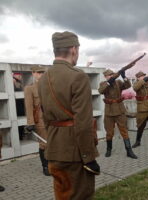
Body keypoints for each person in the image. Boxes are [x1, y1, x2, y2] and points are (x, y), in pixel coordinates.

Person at [38, 31, 100, 200]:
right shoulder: (78, 76)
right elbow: (83, 122)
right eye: (78, 49)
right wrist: (88, 158)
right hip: (75, 154)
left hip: (54, 150)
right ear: (73, 49)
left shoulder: (43, 78)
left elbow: (45, 118)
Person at [98, 69, 137, 159]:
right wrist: (108, 83)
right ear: (105, 76)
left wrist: (124, 77)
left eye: (112, 74)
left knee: (124, 131)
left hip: (120, 111)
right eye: (109, 75)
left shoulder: (118, 82)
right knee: (109, 132)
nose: (111, 76)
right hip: (109, 112)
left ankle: (129, 151)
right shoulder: (103, 84)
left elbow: (128, 85)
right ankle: (109, 149)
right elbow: (100, 91)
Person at [24, 66, 50, 176]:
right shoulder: (30, 88)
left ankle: (54, 164)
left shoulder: (50, 86)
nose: (41, 74)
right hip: (40, 121)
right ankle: (46, 166)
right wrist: (30, 123)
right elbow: (29, 107)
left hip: (53, 120)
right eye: (38, 73)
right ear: (33, 73)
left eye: (42, 72)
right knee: (44, 144)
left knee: (54, 143)